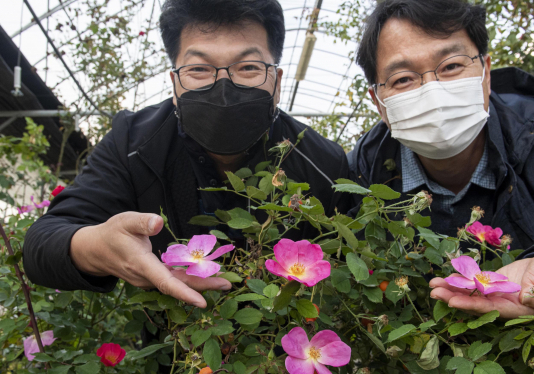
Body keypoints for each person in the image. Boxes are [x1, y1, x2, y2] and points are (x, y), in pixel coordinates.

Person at [23, 0, 350, 308]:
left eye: (248, 67)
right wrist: (97, 246)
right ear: (175, 85)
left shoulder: (322, 163)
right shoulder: (134, 143)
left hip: (279, 358)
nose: (224, 89)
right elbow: (42, 243)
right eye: (199, 70)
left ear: (277, 83)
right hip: (173, 351)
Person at [348, 0, 534, 318]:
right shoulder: (364, 172)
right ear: (379, 103)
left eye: (451, 66)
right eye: (403, 79)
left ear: (486, 74)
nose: (432, 93)